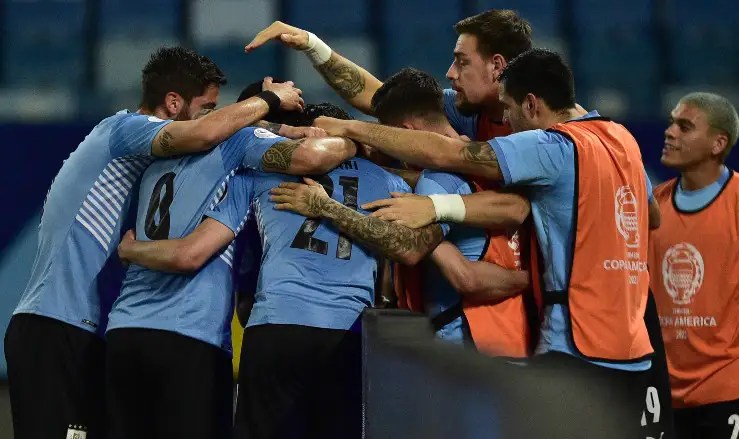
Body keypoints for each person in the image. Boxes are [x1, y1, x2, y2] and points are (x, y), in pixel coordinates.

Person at [303, 48, 662, 437]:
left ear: (531, 103)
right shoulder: (620, 139)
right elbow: (651, 215)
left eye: (508, 108)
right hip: (633, 351)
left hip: (576, 345)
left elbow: (453, 155)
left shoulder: (552, 147)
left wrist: (354, 131)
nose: (505, 120)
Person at [2, 46, 304, 439]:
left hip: (72, 324)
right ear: (173, 102)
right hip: (56, 325)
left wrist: (282, 128)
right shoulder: (124, 130)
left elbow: (214, 137)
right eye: (207, 105)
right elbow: (204, 134)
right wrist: (269, 100)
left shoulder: (136, 149)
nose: (211, 114)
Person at [104, 82, 355, 439]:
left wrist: (130, 251)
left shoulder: (157, 162)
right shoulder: (247, 164)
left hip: (127, 331)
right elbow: (310, 157)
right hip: (196, 335)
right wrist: (353, 140)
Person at [274, 67, 533, 357]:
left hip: (466, 344)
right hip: (513, 336)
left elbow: (421, 254)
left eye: (386, 135)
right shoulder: (489, 166)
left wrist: (324, 206)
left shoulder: (437, 181)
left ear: (405, 132)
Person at [648, 92, 739, 438]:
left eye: (684, 126)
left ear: (718, 143)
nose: (669, 132)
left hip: (731, 388)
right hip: (664, 392)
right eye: (671, 122)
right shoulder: (655, 205)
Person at [245, 9, 531, 142]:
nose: (450, 72)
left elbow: (509, 205)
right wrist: (312, 44)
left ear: (497, 66)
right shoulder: (469, 110)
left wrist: (348, 129)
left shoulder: (545, 130)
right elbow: (384, 99)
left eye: (462, 62)